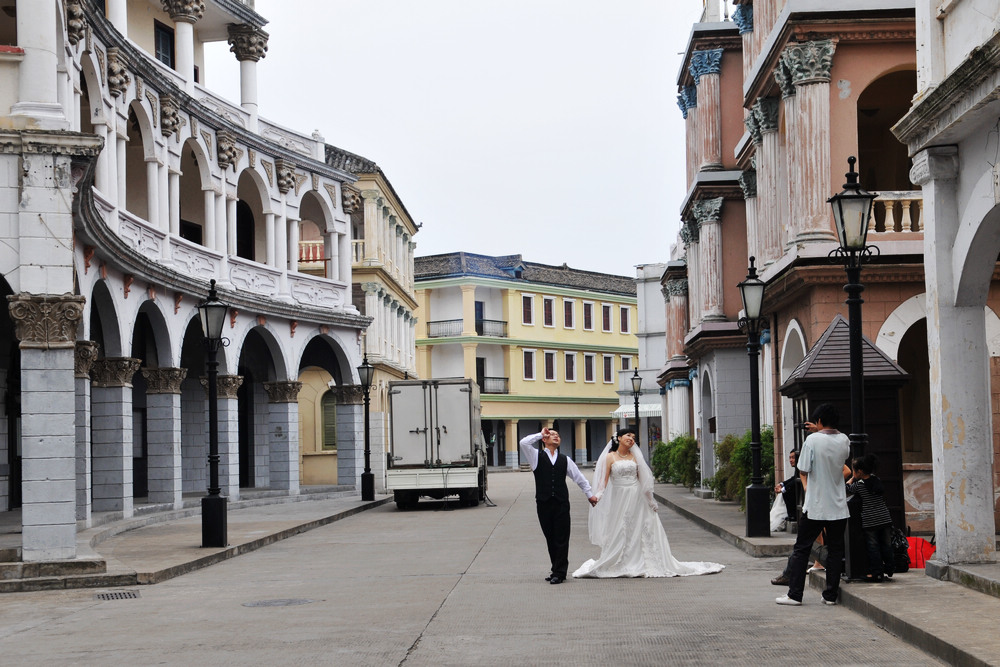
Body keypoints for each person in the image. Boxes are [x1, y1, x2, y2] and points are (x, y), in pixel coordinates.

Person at [572, 428, 724, 578]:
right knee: (620, 528)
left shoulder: (635, 456)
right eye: (628, 435)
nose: (631, 438)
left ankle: (642, 560)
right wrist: (597, 496)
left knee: (640, 527)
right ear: (618, 438)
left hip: (636, 496)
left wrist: (651, 501)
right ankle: (620, 559)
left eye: (633, 437)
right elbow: (602, 481)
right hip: (619, 497)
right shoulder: (610, 457)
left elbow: (643, 480)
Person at [776, 403, 850, 606]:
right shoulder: (844, 440)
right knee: (835, 550)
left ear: (818, 421)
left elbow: (804, 468)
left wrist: (816, 433)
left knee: (802, 549)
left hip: (816, 505)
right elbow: (835, 450)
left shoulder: (812, 440)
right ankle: (830, 596)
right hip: (838, 506)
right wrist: (820, 429)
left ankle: (795, 594)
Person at [519, 427, 598, 585]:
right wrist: (540, 433)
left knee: (562, 538)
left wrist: (589, 494)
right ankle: (556, 568)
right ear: (545, 439)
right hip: (543, 503)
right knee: (550, 537)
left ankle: (559, 572)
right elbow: (523, 442)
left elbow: (579, 477)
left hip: (561, 503)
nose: (555, 437)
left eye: (558, 435)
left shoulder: (565, 459)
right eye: (551, 434)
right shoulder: (536, 457)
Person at [846, 453, 895, 582]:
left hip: (870, 520)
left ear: (860, 471)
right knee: (886, 545)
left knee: (873, 547)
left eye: (854, 470)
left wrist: (851, 479)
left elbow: (847, 488)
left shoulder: (860, 485)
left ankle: (876, 573)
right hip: (884, 517)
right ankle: (890, 568)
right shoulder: (876, 480)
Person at [775, 449, 802, 523]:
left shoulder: (801, 467)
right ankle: (791, 515)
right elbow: (793, 478)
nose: (791, 460)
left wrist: (784, 489)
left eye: (793, 458)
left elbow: (795, 480)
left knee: (788, 491)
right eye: (790, 458)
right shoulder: (797, 468)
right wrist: (782, 484)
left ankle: (793, 515)